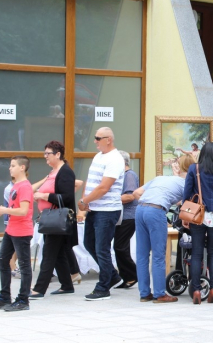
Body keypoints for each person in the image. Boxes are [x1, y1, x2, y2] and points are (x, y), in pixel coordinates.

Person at [133, 154, 194, 303]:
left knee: (142, 255)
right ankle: (159, 293)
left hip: (140, 209)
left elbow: (136, 193)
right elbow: (188, 204)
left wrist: (150, 202)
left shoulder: (160, 178)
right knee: (159, 254)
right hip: (156, 211)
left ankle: (144, 293)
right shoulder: (185, 183)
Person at [78, 127, 125, 301]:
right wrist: (85, 199)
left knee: (102, 248)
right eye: (95, 138)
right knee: (89, 243)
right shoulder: (98, 156)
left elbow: (104, 187)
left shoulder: (115, 159)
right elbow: (91, 181)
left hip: (107, 210)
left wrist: (85, 201)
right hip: (95, 208)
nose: (95, 141)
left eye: (98, 138)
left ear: (108, 140)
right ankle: (112, 275)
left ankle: (103, 287)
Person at [183, 142, 213, 304]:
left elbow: (187, 192)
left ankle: (196, 290)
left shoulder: (194, 169)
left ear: (201, 153)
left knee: (196, 253)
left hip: (198, 214)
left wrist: (185, 214)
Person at [29, 141, 77, 299]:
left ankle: (39, 289)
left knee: (49, 254)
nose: (45, 157)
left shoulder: (65, 172)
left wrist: (43, 196)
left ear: (58, 154)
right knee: (58, 254)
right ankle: (67, 285)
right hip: (50, 219)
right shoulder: (53, 172)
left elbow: (68, 196)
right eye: (44, 154)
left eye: (48, 154)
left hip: (57, 219)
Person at [0, 156, 33, 311]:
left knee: (24, 265)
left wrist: (5, 210)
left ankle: (23, 300)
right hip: (11, 229)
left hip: (22, 230)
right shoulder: (15, 186)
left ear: (22, 167)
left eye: (13, 165)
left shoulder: (25, 187)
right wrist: (4, 211)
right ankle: (4, 296)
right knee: (2, 260)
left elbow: (23, 210)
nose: (10, 168)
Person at [113, 151, 139, 289]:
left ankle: (133, 274)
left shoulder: (130, 175)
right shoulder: (122, 175)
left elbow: (130, 196)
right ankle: (127, 277)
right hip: (122, 216)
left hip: (129, 216)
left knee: (119, 246)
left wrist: (110, 199)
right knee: (120, 247)